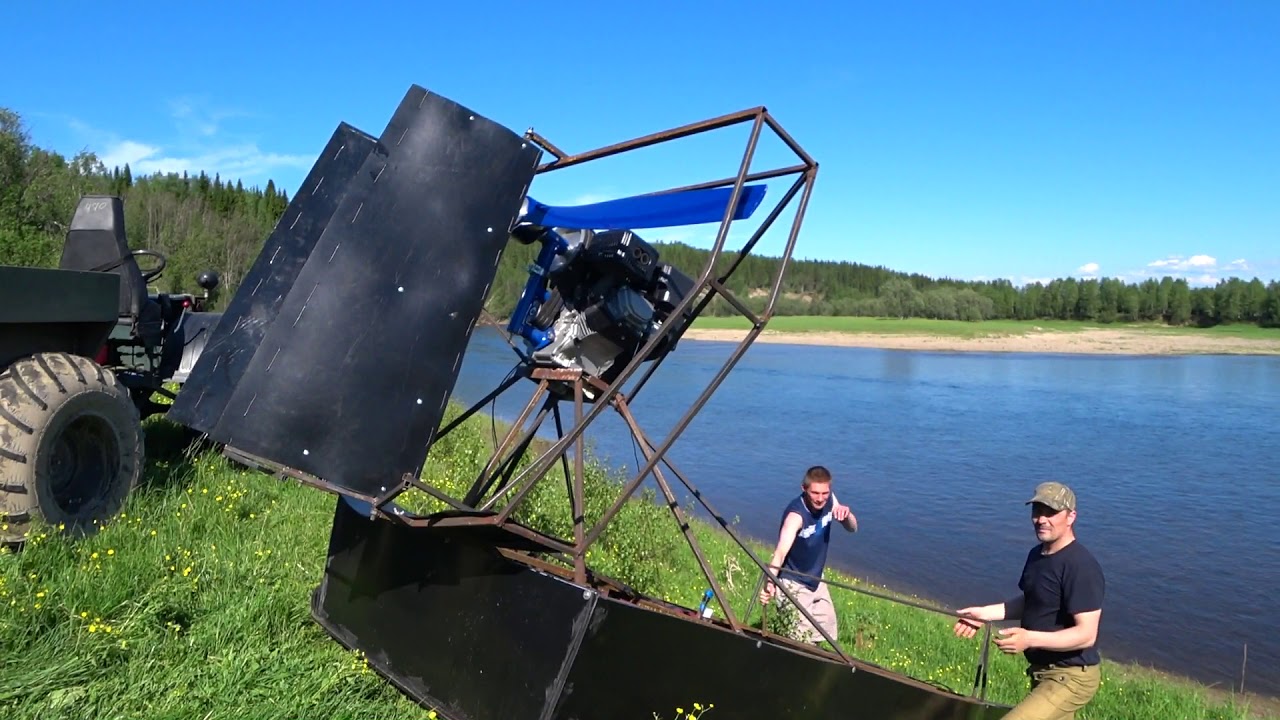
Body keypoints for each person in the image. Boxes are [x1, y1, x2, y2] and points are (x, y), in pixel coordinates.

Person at [952, 481, 1105, 720]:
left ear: (1071, 516)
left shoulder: (1080, 566)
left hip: (1071, 676)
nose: (1042, 519)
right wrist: (983, 614)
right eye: (1037, 511)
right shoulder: (1037, 555)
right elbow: (1033, 602)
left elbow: (1086, 634)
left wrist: (1030, 638)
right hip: (1042, 672)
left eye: (1051, 513)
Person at [759, 465, 858, 645]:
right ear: (803, 489)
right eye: (815, 493)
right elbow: (780, 552)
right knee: (799, 641)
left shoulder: (830, 500)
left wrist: (846, 515)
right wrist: (770, 582)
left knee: (825, 631)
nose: (820, 499)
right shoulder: (795, 517)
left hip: (816, 579)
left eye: (824, 493)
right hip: (793, 583)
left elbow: (852, 528)